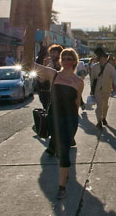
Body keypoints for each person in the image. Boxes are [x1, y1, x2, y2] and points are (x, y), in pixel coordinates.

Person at [33, 47, 84, 199]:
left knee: (64, 151)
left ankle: (62, 187)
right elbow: (29, 65)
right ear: (60, 60)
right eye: (65, 58)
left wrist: (75, 120)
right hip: (53, 118)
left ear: (75, 61)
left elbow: (76, 102)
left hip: (70, 119)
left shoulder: (79, 82)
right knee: (58, 148)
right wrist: (31, 38)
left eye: (70, 58)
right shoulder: (53, 75)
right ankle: (64, 171)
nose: (67, 61)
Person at [90, 47, 116, 129]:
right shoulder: (95, 67)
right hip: (97, 89)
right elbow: (92, 78)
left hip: (107, 89)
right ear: (99, 58)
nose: (104, 59)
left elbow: (115, 77)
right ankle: (99, 121)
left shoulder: (110, 67)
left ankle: (104, 117)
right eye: (102, 58)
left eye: (105, 58)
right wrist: (91, 90)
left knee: (105, 105)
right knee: (99, 106)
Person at [38, 44, 63, 110]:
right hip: (47, 95)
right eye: (51, 53)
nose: (52, 55)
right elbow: (41, 80)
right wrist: (45, 67)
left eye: (54, 52)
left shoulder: (64, 66)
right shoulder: (49, 64)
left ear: (60, 54)